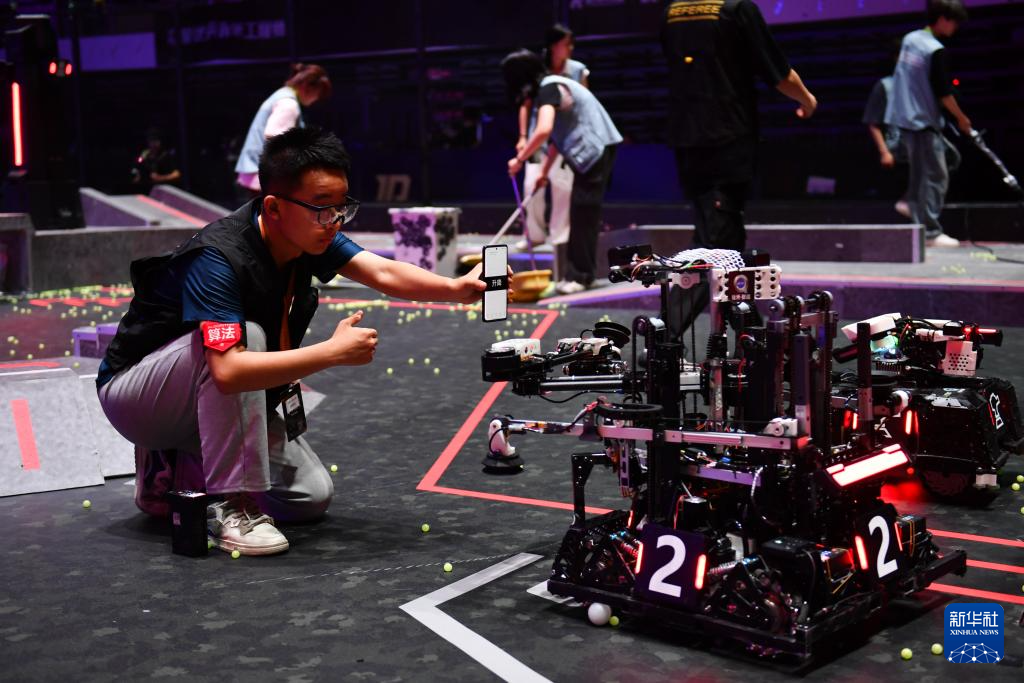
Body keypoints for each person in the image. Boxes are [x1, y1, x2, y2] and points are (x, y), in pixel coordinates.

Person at [97, 126, 487, 556]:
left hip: (201, 397)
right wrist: (331, 353)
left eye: (341, 207)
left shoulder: (310, 237)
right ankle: (232, 508)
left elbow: (381, 270)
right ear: (274, 207)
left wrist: (456, 289)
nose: (334, 221)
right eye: (321, 208)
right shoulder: (218, 257)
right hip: (137, 397)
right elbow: (228, 370)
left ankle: (172, 468)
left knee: (308, 497)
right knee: (246, 337)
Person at [660, 0, 816, 339]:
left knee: (728, 239)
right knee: (713, 245)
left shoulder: (673, 11)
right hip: (726, 136)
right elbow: (777, 71)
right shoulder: (736, 8)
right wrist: (807, 99)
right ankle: (663, 338)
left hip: (687, 138)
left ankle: (750, 336)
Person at [503, 48, 622, 295]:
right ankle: (583, 275)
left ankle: (580, 276)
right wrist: (544, 174)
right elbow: (556, 139)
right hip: (596, 150)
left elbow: (544, 130)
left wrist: (520, 159)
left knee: (583, 213)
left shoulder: (549, 87)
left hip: (596, 148)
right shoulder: (550, 88)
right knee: (582, 213)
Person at [885, 0, 970, 248]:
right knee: (936, 174)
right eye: (954, 22)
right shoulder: (934, 49)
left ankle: (909, 202)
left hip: (904, 117)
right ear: (943, 19)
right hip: (921, 120)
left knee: (938, 164)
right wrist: (962, 118)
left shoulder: (910, 39)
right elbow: (943, 92)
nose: (955, 27)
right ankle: (930, 232)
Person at [515, 24, 590, 252]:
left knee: (562, 186)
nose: (570, 48)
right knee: (531, 185)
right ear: (554, 45)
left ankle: (559, 239)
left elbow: (584, 104)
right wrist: (523, 136)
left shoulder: (578, 70)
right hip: (539, 138)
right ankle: (535, 235)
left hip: (565, 138)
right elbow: (526, 104)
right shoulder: (538, 69)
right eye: (566, 44)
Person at [234, 63, 332, 200]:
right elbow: (275, 138)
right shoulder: (288, 104)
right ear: (307, 86)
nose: (316, 99)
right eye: (318, 94)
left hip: (255, 175)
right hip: (261, 179)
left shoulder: (281, 95)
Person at [130, 127, 181, 193]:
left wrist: (161, 178)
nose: (153, 144)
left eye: (155, 141)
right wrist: (137, 175)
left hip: (164, 190)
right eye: (151, 141)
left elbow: (176, 174)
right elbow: (135, 169)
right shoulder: (144, 155)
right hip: (146, 190)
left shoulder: (166, 156)